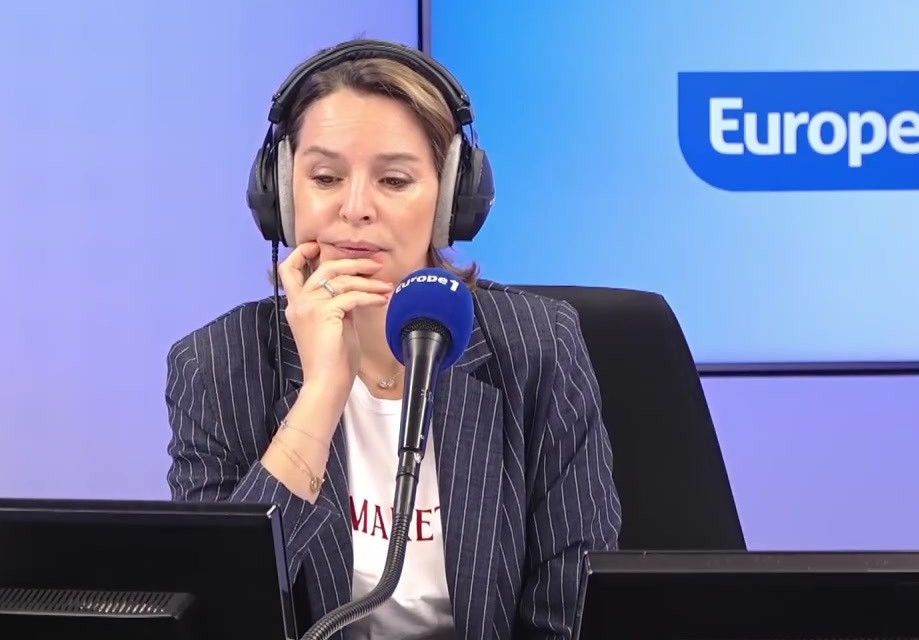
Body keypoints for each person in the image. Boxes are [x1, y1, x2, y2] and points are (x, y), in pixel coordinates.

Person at [164, 38, 622, 640]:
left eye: (394, 180)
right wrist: (321, 394)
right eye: (325, 177)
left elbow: (573, 612)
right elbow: (222, 615)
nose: (355, 208)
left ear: (451, 201)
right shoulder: (216, 365)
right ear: (281, 196)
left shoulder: (539, 348)